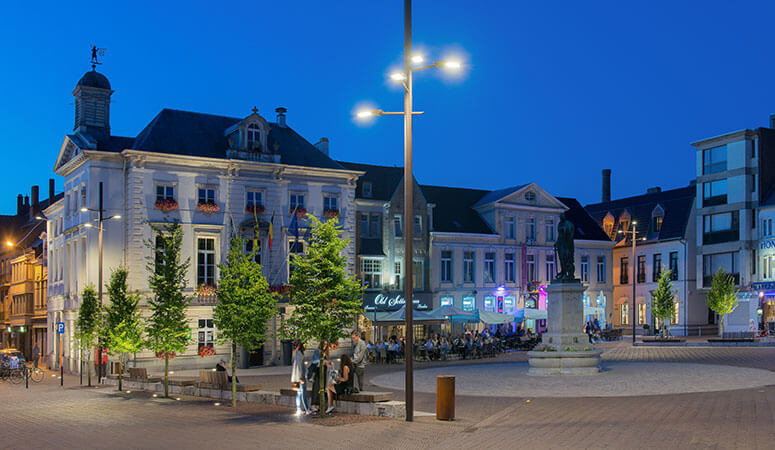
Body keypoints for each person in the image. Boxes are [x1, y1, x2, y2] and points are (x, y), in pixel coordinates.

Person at [291, 341, 310, 415]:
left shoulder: (298, 353)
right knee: (303, 393)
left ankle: (299, 409)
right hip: (300, 377)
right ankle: (306, 409)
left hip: (298, 377)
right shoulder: (299, 353)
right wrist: (301, 377)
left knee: (299, 393)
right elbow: (299, 366)